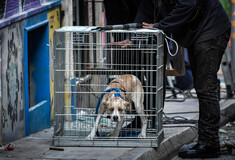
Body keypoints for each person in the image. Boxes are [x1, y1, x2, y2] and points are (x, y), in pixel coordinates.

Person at [132, 0, 231, 159]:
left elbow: (188, 4)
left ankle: (210, 143)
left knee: (206, 88)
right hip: (196, 32)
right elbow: (145, 11)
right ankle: (206, 140)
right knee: (201, 87)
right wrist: (133, 36)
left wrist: (160, 26)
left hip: (211, 28)